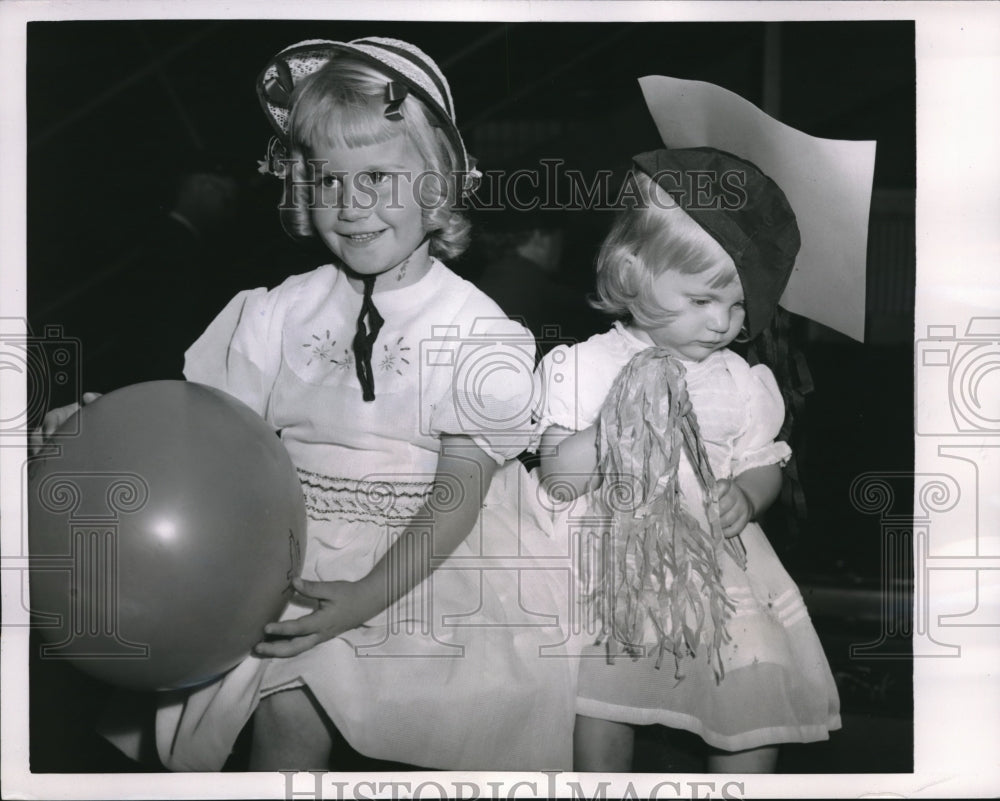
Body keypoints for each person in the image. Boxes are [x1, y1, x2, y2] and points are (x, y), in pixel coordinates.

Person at [42, 36, 576, 772]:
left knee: (339, 713)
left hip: (420, 559)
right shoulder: (276, 313)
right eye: (328, 180)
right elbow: (203, 436)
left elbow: (457, 496)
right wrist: (103, 426)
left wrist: (363, 597)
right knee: (285, 714)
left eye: (380, 178)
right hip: (279, 549)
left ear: (438, 185)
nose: (352, 207)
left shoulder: (479, 332)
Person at [533, 147, 841, 773]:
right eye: (702, 300)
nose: (724, 322)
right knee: (602, 699)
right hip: (611, 569)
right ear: (632, 273)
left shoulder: (738, 380)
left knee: (751, 684)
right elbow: (558, 479)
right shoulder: (587, 367)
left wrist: (751, 495)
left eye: (738, 305)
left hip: (718, 570)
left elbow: (762, 462)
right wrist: (612, 425)